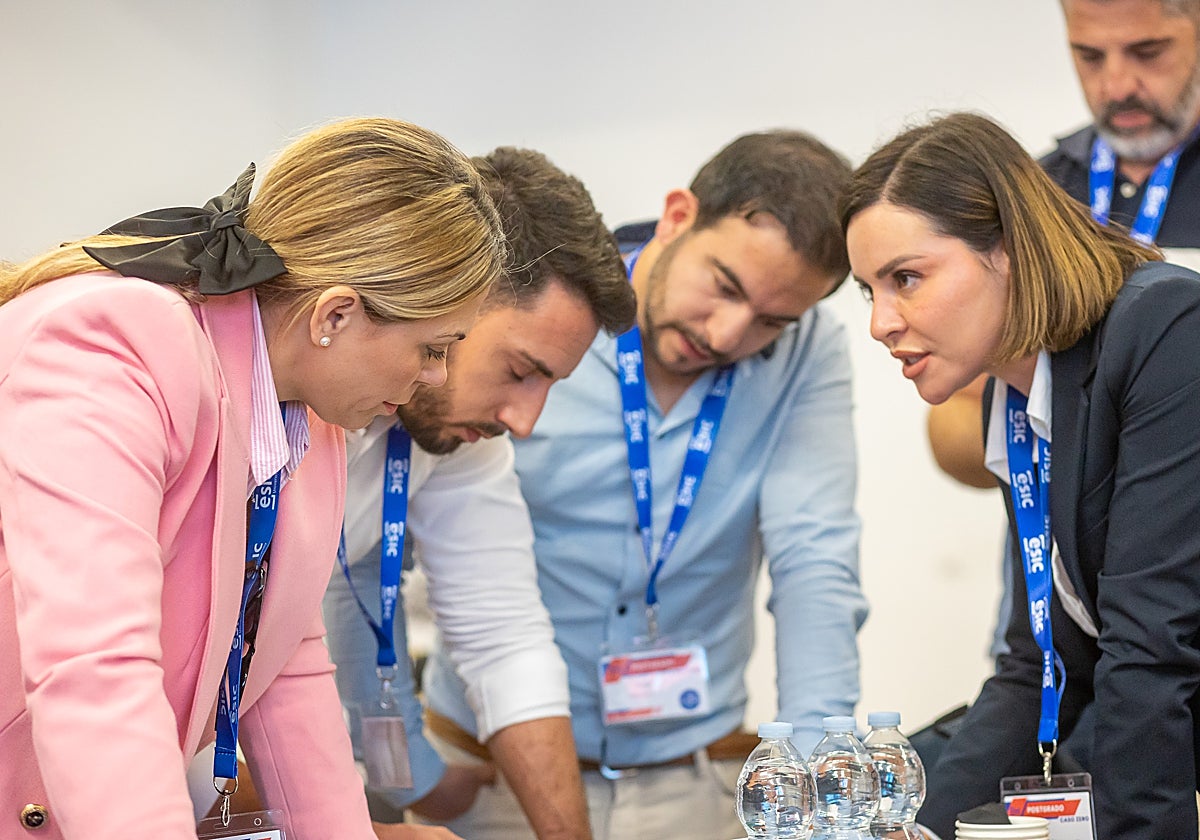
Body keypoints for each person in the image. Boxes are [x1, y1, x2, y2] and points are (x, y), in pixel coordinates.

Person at [0, 117, 506, 840]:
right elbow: (96, 667)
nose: (436, 377)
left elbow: (289, 668)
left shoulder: (310, 421)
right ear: (335, 313)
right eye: (431, 348)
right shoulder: (113, 345)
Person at [421, 130, 869, 840]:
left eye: (772, 322)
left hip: (692, 775)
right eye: (724, 287)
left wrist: (821, 803)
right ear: (678, 216)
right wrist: (409, 766)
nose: (727, 334)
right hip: (489, 774)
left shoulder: (810, 355)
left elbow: (815, 562)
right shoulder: (547, 311)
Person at [844, 110, 1200, 840]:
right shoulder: (1007, 399)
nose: (881, 322)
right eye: (868, 291)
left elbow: (1151, 652)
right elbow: (1037, 660)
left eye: (906, 278)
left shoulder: (1164, 326)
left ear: (1006, 247)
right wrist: (926, 830)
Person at [324, 146, 635, 840]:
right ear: (451, 299)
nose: (524, 420)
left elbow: (504, 638)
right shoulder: (269, 406)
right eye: (520, 370)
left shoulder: (460, 433)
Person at [925, 0, 1200, 663]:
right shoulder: (1036, 194)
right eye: (1089, 56)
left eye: (1148, 52)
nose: (1117, 86)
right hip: (1057, 612)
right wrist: (1083, 437)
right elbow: (955, 424)